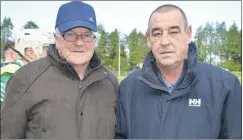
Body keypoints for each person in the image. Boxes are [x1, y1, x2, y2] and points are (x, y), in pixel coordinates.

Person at [115, 4, 241, 139]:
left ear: (188, 34)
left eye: (173, 32)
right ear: (148, 38)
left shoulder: (225, 86)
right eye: (157, 34)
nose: (164, 41)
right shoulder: (128, 88)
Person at [1, 1, 118, 139]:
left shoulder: (109, 82)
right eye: (70, 34)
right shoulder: (24, 79)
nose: (79, 43)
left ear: (94, 40)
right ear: (56, 37)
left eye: (87, 35)